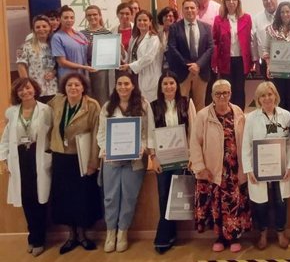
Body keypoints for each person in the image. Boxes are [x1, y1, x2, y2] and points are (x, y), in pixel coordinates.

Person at [190, 80, 251, 252]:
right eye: (218, 93)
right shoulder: (203, 115)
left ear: (230, 94)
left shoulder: (238, 111)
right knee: (216, 205)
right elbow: (195, 143)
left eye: (226, 93)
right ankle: (220, 238)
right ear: (212, 96)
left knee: (233, 203)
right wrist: (200, 167)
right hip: (213, 169)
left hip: (233, 168)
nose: (222, 96)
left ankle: (234, 238)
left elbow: (244, 139)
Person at [97, 72, 155, 253]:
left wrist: (143, 147)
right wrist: (105, 148)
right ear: (115, 87)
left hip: (134, 161)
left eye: (126, 84)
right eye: (120, 84)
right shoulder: (107, 107)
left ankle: (122, 232)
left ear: (133, 86)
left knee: (129, 197)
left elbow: (149, 131)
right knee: (110, 197)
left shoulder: (143, 105)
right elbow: (101, 134)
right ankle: (110, 232)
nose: (123, 87)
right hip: (111, 160)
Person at [47, 73, 102, 254]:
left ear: (83, 87)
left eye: (77, 85)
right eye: (70, 85)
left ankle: (82, 235)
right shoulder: (56, 102)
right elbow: (46, 122)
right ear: (65, 87)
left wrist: (93, 162)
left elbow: (96, 135)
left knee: (83, 197)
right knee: (64, 197)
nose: (73, 88)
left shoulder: (92, 106)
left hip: (81, 159)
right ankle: (71, 235)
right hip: (61, 158)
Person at [242, 82, 290, 250]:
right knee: (261, 203)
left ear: (275, 96)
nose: (267, 98)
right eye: (263, 95)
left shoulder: (286, 115)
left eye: (270, 94)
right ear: (258, 99)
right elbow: (247, 145)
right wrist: (249, 169)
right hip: (260, 169)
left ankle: (281, 232)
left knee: (281, 202)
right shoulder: (251, 117)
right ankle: (263, 233)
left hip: (280, 168)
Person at [0, 78, 52, 257]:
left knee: (40, 199)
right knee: (26, 199)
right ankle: (33, 235)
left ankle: (39, 238)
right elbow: (6, 138)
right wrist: (4, 159)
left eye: (28, 88)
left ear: (35, 89)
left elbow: (52, 134)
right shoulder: (12, 113)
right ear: (17, 94)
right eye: (20, 90)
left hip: (38, 157)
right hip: (20, 158)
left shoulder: (46, 110)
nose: (25, 92)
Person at [149, 71, 196, 254]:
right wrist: (153, 158)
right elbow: (150, 133)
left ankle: (166, 235)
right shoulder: (153, 107)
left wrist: (191, 157)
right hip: (163, 159)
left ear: (177, 85)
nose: (169, 87)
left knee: (176, 196)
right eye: (165, 84)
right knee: (163, 195)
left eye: (172, 83)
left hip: (182, 158)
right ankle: (167, 234)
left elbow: (192, 130)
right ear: (161, 87)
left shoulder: (187, 103)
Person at [212, 0, 257, 110]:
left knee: (239, 89)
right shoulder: (218, 19)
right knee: (227, 90)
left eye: (234, 0)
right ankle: (228, 114)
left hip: (242, 60)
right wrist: (215, 62)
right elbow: (215, 41)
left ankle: (239, 115)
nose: (231, 2)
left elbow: (250, 40)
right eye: (228, 0)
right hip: (225, 61)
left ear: (238, 2)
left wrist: (254, 60)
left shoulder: (246, 18)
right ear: (224, 3)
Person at [167, 0, 214, 110]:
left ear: (197, 10)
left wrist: (198, 65)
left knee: (200, 105)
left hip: (201, 71)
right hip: (182, 72)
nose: (189, 10)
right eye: (186, 8)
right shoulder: (174, 28)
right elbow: (172, 48)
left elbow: (210, 47)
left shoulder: (206, 27)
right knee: (182, 105)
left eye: (192, 8)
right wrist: (188, 65)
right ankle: (185, 127)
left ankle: (199, 127)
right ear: (182, 11)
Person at [263, 1, 290, 114]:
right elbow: (266, 49)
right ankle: (281, 127)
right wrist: (268, 65)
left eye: (287, 11)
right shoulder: (271, 29)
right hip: (278, 69)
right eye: (282, 12)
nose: (285, 14)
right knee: (280, 99)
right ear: (278, 14)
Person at [120, 10, 162, 102]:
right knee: (138, 105)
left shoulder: (153, 38)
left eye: (145, 20)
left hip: (149, 76)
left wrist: (130, 66)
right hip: (135, 76)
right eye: (139, 20)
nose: (142, 22)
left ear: (150, 22)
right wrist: (122, 51)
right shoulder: (134, 38)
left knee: (150, 106)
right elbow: (131, 58)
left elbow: (148, 58)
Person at [17, 16, 58, 103]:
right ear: (33, 29)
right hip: (36, 89)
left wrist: (53, 72)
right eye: (38, 27)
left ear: (49, 28)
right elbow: (21, 66)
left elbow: (58, 64)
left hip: (53, 89)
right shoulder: (26, 46)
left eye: (44, 26)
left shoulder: (54, 45)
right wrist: (27, 85)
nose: (41, 29)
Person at [80, 5, 114, 104]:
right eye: (89, 15)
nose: (92, 17)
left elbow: (111, 56)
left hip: (102, 72)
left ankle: (101, 118)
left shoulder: (108, 33)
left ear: (100, 16)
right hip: (85, 70)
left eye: (95, 14)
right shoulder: (81, 34)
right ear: (86, 17)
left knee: (102, 96)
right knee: (87, 97)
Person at [52, 5, 95, 80]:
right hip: (68, 76)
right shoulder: (57, 37)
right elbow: (62, 62)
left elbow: (88, 53)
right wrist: (83, 67)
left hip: (83, 75)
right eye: (66, 18)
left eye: (72, 18)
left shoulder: (80, 35)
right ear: (59, 19)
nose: (69, 20)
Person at [253, 0, 279, 78]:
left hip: (284, 61)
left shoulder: (285, 15)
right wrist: (256, 61)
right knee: (269, 90)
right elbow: (254, 42)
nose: (268, 1)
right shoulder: (257, 18)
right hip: (265, 62)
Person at [157, 6, 179, 71]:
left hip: (175, 66)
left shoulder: (179, 32)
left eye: (170, 16)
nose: (168, 18)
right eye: (165, 16)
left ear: (174, 18)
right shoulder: (157, 34)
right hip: (160, 66)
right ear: (162, 18)